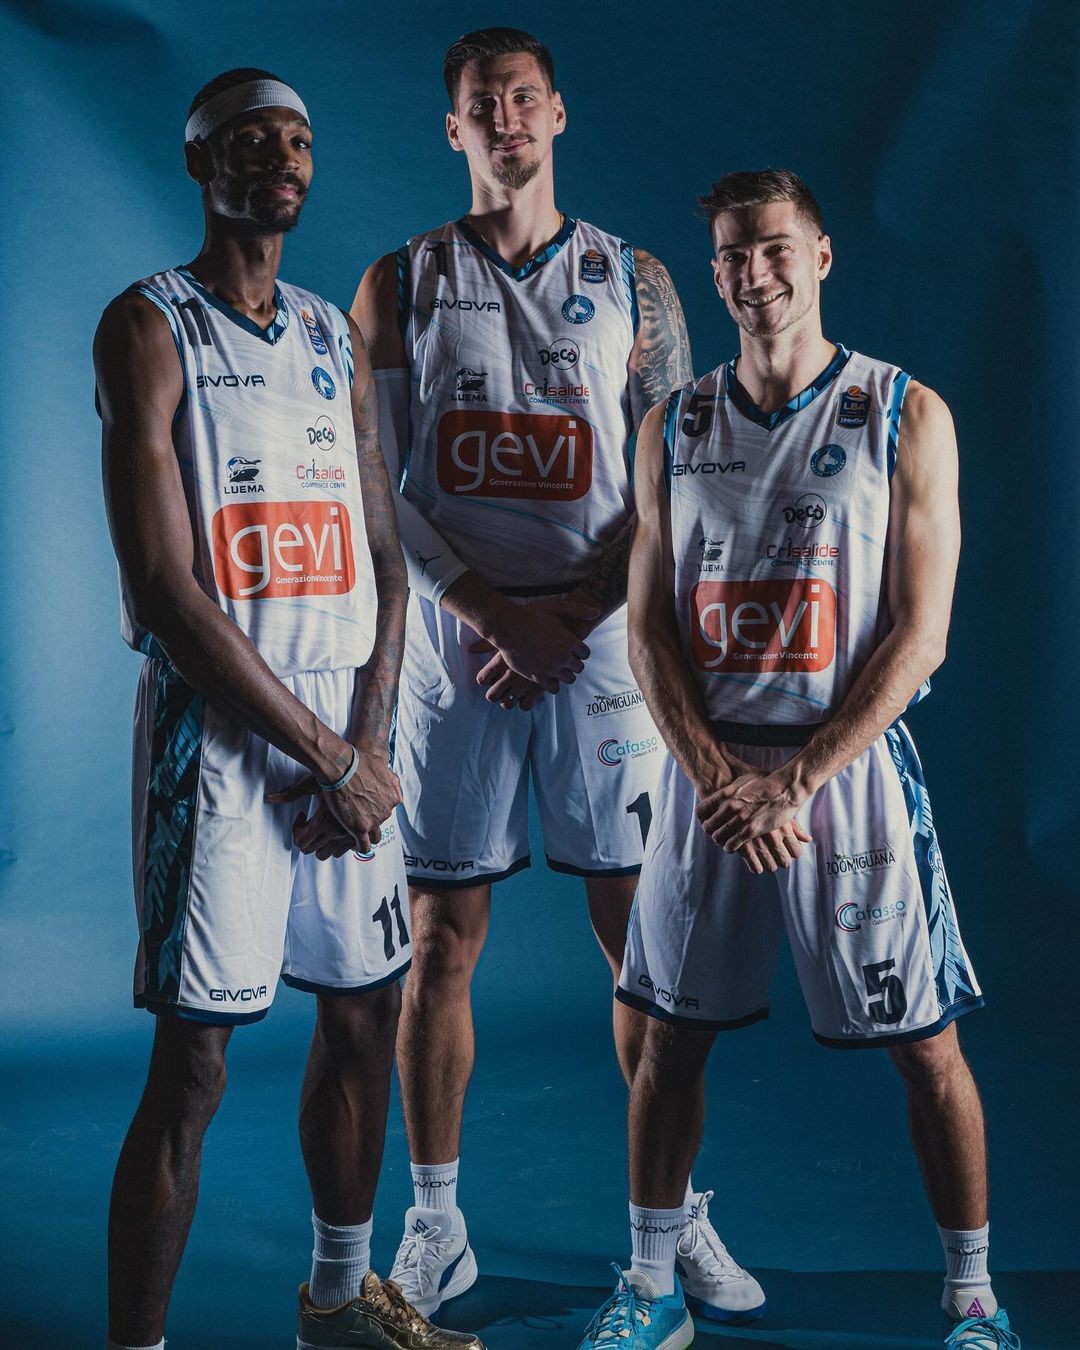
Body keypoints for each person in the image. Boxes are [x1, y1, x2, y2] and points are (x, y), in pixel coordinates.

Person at [351, 26, 764, 1327]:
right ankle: (437, 1221)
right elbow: (375, 486)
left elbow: (674, 474)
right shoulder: (401, 281)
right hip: (458, 647)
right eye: (483, 103)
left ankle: (674, 1217)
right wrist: (489, 611)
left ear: (559, 113)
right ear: (454, 129)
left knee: (643, 944)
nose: (507, 118)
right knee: (440, 941)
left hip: (599, 649)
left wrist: (574, 613)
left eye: (524, 97)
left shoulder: (635, 281)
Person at [576, 168, 1020, 1350]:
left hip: (846, 774)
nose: (752, 273)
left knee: (926, 1045)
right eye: (731, 253)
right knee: (667, 1037)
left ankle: (975, 1296)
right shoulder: (675, 425)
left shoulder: (903, 412)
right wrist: (722, 779)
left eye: (774, 247)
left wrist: (800, 780)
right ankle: (652, 1286)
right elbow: (647, 626)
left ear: (821, 256)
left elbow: (922, 632)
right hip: (710, 776)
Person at [95, 68, 483, 1350]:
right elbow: (162, 589)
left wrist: (365, 746)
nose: (281, 159)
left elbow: (387, 560)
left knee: (367, 1015)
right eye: (252, 140)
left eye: (300, 141)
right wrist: (325, 755)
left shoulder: (328, 332)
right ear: (199, 161)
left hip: (343, 732)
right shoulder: (148, 324)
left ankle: (337, 1302)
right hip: (222, 734)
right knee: (196, 1064)